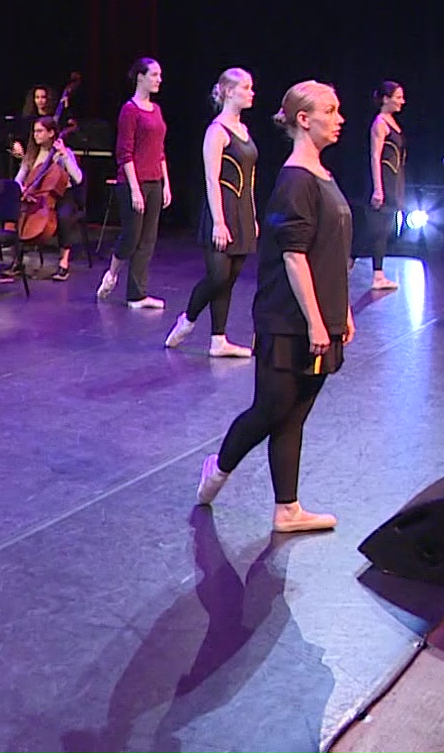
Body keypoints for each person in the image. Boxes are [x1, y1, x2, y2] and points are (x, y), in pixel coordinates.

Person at [195, 80, 351, 534]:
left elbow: (331, 252)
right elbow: (293, 255)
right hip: (289, 320)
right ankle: (218, 469)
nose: (339, 118)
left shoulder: (322, 175)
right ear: (304, 120)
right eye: (331, 110)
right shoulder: (295, 180)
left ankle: (288, 508)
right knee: (271, 409)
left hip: (321, 316)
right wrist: (317, 322)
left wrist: (343, 314)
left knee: (295, 414)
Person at [167, 68, 257, 357]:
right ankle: (188, 318)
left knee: (231, 278)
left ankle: (219, 339)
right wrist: (219, 221)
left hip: (242, 211)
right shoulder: (217, 131)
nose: (251, 92)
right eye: (245, 87)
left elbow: (250, 178)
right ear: (229, 92)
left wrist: (252, 215)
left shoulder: (243, 130)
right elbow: (211, 178)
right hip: (222, 211)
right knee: (218, 276)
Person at [99, 57, 171, 309]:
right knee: (131, 236)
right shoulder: (129, 110)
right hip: (132, 182)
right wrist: (135, 189)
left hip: (155, 180)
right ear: (140, 77)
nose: (159, 79)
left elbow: (160, 150)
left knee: (148, 239)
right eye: (154, 74)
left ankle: (137, 295)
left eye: (159, 75)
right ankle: (112, 274)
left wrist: (166, 183)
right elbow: (125, 153)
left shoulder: (157, 110)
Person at [12, 116, 84, 280]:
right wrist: (22, 189)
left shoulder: (63, 153)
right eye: (35, 131)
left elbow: (78, 178)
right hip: (36, 196)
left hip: (63, 195)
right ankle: (18, 261)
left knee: (64, 217)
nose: (36, 135)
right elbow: (19, 178)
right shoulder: (31, 155)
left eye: (40, 131)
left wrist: (65, 156)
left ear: (51, 133)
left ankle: (64, 262)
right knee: (16, 214)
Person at [366, 80, 407, 290]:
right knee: (380, 229)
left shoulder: (391, 121)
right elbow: (375, 156)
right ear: (385, 99)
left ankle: (373, 270)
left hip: (395, 178)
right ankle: (377, 275)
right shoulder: (380, 123)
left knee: (388, 227)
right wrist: (378, 188)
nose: (402, 101)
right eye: (398, 97)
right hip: (385, 178)